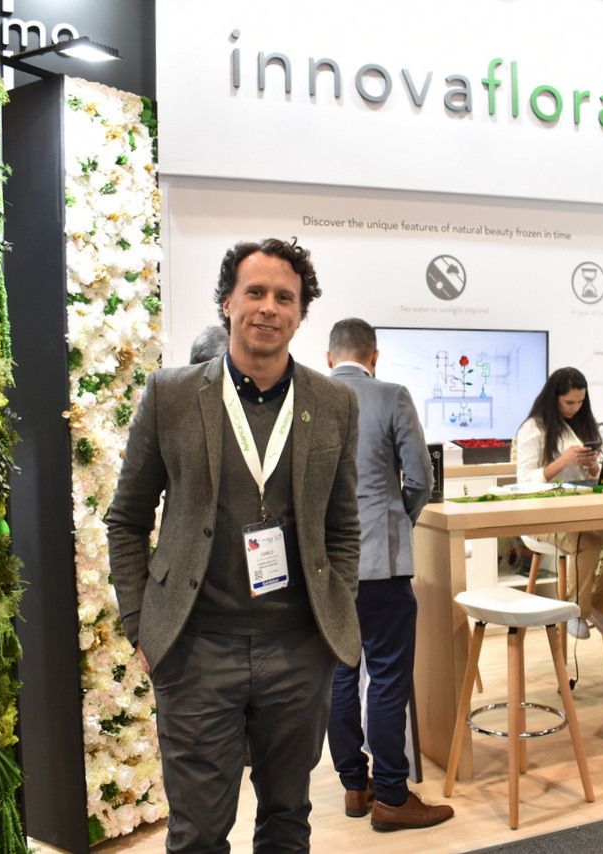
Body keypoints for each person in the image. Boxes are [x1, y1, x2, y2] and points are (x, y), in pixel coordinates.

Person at [106, 237, 361, 853]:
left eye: (285, 297)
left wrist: (333, 612)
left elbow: (343, 526)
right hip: (196, 649)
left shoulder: (334, 403)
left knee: (287, 822)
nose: (269, 307)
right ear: (228, 302)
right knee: (197, 834)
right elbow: (126, 519)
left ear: (300, 314)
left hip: (298, 650)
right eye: (255, 292)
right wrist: (143, 623)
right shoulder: (170, 395)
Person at [323, 318, 454, 830]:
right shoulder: (391, 395)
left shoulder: (306, 397)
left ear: (329, 357)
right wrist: (400, 518)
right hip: (381, 563)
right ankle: (394, 797)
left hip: (327, 569)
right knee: (387, 679)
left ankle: (355, 787)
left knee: (340, 675)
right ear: (373, 357)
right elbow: (421, 477)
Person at [515, 367, 603, 642]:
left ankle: (600, 605)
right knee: (588, 543)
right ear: (554, 398)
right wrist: (563, 461)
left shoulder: (582, 425)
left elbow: (594, 477)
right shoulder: (533, 428)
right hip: (542, 515)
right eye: (569, 402)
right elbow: (523, 482)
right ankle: (577, 611)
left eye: (580, 402)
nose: (575, 408)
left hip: (584, 511)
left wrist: (593, 465)